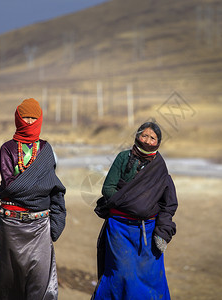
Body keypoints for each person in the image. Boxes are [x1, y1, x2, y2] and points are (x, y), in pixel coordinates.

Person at [92, 121, 178, 300]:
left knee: (151, 278)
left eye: (152, 137)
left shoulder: (159, 167)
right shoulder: (123, 158)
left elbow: (168, 202)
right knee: (121, 274)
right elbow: (108, 189)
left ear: (158, 142)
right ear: (137, 136)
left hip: (148, 231)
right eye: (144, 135)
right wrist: (136, 206)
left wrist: (162, 230)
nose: (147, 140)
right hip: (119, 230)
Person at [0, 98, 66, 300]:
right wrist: (37, 189)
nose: (30, 121)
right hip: (10, 224)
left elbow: (52, 186)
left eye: (34, 117)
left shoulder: (45, 150)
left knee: (40, 282)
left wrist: (55, 222)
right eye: (26, 117)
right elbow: (9, 185)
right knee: (8, 279)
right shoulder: (7, 149)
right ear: (18, 118)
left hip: (40, 226)